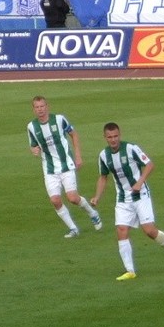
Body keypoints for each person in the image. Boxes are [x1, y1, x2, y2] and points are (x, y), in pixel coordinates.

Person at [90, 122, 164, 281]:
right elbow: (103, 177)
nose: (113, 140)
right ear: (105, 138)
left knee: (149, 230)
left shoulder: (130, 148)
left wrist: (140, 181)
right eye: (110, 137)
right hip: (122, 198)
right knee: (121, 230)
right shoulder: (103, 156)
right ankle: (130, 270)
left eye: (116, 136)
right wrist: (97, 196)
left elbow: (149, 164)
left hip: (140, 195)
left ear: (119, 135)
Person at [27, 95, 102, 238]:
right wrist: (34, 150)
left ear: (47, 106)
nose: (40, 110)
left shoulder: (59, 119)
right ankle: (73, 228)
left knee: (73, 198)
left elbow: (74, 135)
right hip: (49, 168)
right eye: (37, 107)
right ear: (34, 109)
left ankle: (93, 214)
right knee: (55, 200)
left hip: (66, 165)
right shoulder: (31, 126)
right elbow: (33, 146)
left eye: (42, 106)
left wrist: (78, 155)